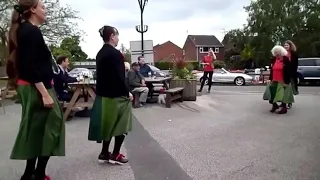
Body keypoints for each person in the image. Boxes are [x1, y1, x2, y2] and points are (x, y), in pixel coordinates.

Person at [6, 1, 65, 179]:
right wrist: (45, 94)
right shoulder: (30, 32)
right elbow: (29, 66)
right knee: (51, 127)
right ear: (33, 10)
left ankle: (31, 173)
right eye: (43, 7)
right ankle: (36, 173)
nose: (45, 10)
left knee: (37, 129)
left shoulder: (26, 30)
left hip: (35, 86)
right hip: (37, 87)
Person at [88, 25, 133, 165]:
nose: (118, 38)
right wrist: (127, 92)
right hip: (116, 96)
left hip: (103, 96)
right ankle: (115, 154)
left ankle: (104, 152)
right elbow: (119, 77)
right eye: (117, 36)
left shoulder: (100, 53)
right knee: (122, 125)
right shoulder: (115, 54)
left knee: (108, 126)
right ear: (112, 36)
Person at [266, 45, 294, 114]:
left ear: (281, 52)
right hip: (274, 80)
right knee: (272, 93)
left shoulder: (286, 60)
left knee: (282, 95)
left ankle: (284, 108)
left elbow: (289, 72)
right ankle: (275, 105)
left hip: (282, 80)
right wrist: (270, 78)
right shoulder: (274, 59)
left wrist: (287, 82)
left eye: (278, 52)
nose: (276, 53)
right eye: (275, 52)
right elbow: (272, 70)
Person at [284, 40, 299, 109]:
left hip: (292, 74)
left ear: (290, 46)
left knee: (290, 88)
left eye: (287, 45)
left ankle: (289, 102)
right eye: (285, 45)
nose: (286, 46)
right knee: (284, 88)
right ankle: (284, 102)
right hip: (284, 74)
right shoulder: (283, 53)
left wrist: (294, 74)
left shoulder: (294, 54)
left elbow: (296, 65)